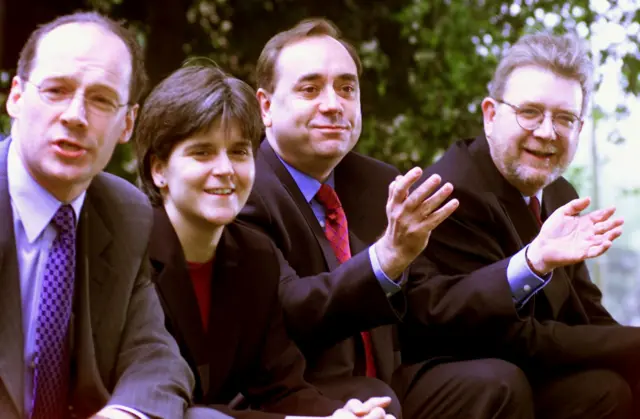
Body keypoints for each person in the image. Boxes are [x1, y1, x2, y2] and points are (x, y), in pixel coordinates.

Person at [238, 17, 534, 419]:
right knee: (377, 398)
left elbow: (430, 304)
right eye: (310, 89)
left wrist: (532, 263)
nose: (333, 104)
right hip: (294, 391)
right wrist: (388, 257)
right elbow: (289, 312)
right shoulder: (246, 186)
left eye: (347, 89)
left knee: (497, 383)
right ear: (267, 106)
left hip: (387, 378)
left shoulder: (377, 182)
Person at [134, 63, 396, 419]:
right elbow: (174, 405)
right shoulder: (131, 249)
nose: (225, 169)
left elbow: (282, 387)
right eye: (203, 153)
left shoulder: (255, 256)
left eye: (239, 152)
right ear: (159, 169)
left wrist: (336, 415)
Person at [402, 32, 639, 418]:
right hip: (459, 379)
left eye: (565, 118)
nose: (547, 132)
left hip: (522, 366)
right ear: (491, 115)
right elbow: (510, 337)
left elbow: (585, 311)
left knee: (612, 387)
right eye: (530, 112)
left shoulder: (559, 192)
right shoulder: (451, 192)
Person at [0, 11, 197, 419]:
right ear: (16, 97)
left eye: (101, 99)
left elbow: (155, 356)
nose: (75, 115)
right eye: (56, 90)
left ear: (127, 123)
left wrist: (124, 414)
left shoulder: (126, 212)